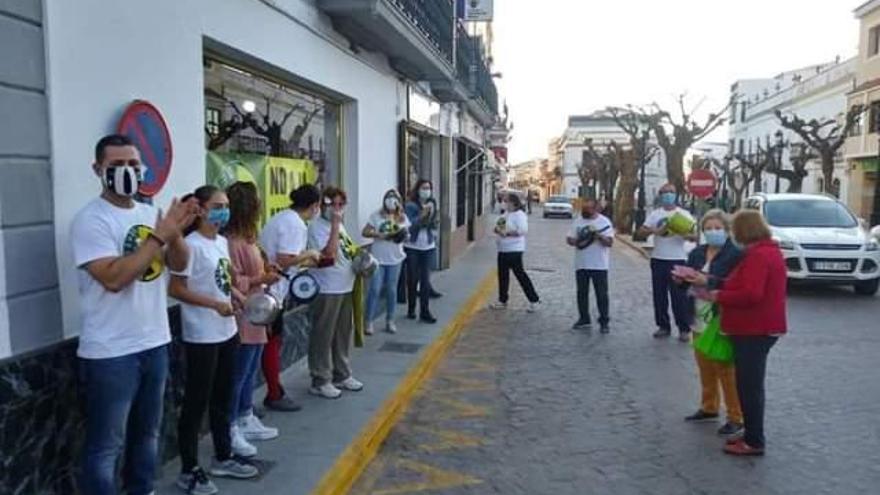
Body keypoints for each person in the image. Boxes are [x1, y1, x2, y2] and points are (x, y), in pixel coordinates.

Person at [72, 134, 198, 494]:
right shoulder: (90, 220)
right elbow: (114, 278)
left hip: (154, 342)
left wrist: (175, 234)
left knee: (148, 435)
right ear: (98, 169)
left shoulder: (148, 214)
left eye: (133, 164)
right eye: (116, 165)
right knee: (106, 447)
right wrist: (158, 237)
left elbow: (179, 264)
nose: (127, 171)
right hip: (111, 352)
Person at [170, 185, 259, 492]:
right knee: (196, 403)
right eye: (217, 206)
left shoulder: (221, 242)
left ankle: (223, 456)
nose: (224, 211)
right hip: (202, 335)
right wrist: (213, 305)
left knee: (223, 397)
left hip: (227, 331)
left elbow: (220, 281)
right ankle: (189, 469)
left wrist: (237, 296)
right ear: (201, 210)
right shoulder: (189, 245)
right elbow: (176, 289)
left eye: (226, 206)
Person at [701, 210, 787, 456]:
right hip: (757, 327)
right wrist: (713, 282)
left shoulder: (758, 255)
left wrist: (719, 295)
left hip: (754, 328)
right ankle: (750, 431)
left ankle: (754, 440)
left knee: (749, 386)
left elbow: (751, 293)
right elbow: (742, 283)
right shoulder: (766, 252)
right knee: (748, 384)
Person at [676, 210, 744, 437]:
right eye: (708, 228)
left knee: (725, 368)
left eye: (717, 228)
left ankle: (736, 416)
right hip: (697, 313)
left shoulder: (736, 254)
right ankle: (709, 406)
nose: (713, 231)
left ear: (726, 229)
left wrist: (708, 280)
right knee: (704, 364)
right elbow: (687, 281)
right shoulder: (697, 252)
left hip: (720, 316)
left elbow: (736, 284)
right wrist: (681, 279)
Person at [225, 182, 281, 456]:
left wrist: (267, 270)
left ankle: (246, 414)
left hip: (258, 312)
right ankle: (232, 424)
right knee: (239, 372)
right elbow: (234, 281)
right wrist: (263, 278)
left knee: (250, 368)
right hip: (244, 313)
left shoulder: (248, 239)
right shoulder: (232, 243)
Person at [259, 185, 322, 411]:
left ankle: (273, 390)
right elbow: (284, 260)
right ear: (314, 206)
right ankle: (274, 393)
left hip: (272, 289)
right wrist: (309, 254)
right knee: (271, 343)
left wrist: (303, 260)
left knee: (268, 343)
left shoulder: (284, 218)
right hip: (270, 292)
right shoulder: (294, 224)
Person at [307, 186, 364, 399]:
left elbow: (347, 249)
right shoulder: (316, 227)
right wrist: (334, 225)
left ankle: (342, 373)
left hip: (345, 286)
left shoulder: (340, 225)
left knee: (342, 334)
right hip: (327, 288)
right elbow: (328, 254)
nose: (337, 209)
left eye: (341, 204)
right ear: (323, 205)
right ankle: (320, 379)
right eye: (333, 204)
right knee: (323, 335)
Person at [638, 183, 698, 342]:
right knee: (659, 296)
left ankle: (684, 328)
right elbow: (641, 231)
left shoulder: (683, 214)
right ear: (660, 195)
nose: (668, 195)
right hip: (658, 259)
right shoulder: (655, 214)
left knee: (679, 297)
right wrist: (654, 231)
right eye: (664, 192)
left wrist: (684, 234)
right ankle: (663, 326)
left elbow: (695, 236)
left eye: (671, 192)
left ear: (676, 195)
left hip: (678, 259)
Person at [363, 189, 410, 335]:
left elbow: (407, 235)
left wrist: (402, 236)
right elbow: (365, 232)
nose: (391, 201)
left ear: (399, 202)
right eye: (388, 198)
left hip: (395, 258)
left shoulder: (402, 217)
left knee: (391, 289)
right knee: (374, 289)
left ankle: (390, 320)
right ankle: (368, 321)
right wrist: (380, 235)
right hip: (378, 258)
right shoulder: (376, 216)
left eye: (394, 198)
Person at [566, 198, 614, 332]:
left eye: (588, 209)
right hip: (581, 263)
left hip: (599, 265)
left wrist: (598, 236)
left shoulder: (604, 222)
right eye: (584, 208)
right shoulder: (578, 221)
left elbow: (609, 242)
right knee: (581, 293)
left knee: (601, 294)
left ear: (596, 208)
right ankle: (584, 318)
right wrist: (577, 240)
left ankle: (604, 322)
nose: (585, 211)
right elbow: (569, 238)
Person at [490, 192, 541, 312]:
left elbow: (522, 230)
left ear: (512, 203)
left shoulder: (519, 215)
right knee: (503, 276)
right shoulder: (505, 214)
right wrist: (497, 230)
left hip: (514, 250)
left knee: (520, 275)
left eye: (506, 201)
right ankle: (502, 300)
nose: (503, 203)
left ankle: (534, 300)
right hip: (502, 249)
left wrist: (507, 233)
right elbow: (498, 226)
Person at [404, 180, 440, 323]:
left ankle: (425, 311)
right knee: (412, 279)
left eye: (429, 188)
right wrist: (422, 215)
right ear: (417, 189)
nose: (427, 190)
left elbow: (435, 224)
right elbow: (409, 225)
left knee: (425, 280)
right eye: (424, 188)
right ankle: (411, 308)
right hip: (412, 246)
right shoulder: (410, 206)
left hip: (428, 246)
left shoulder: (432, 204)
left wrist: (433, 220)